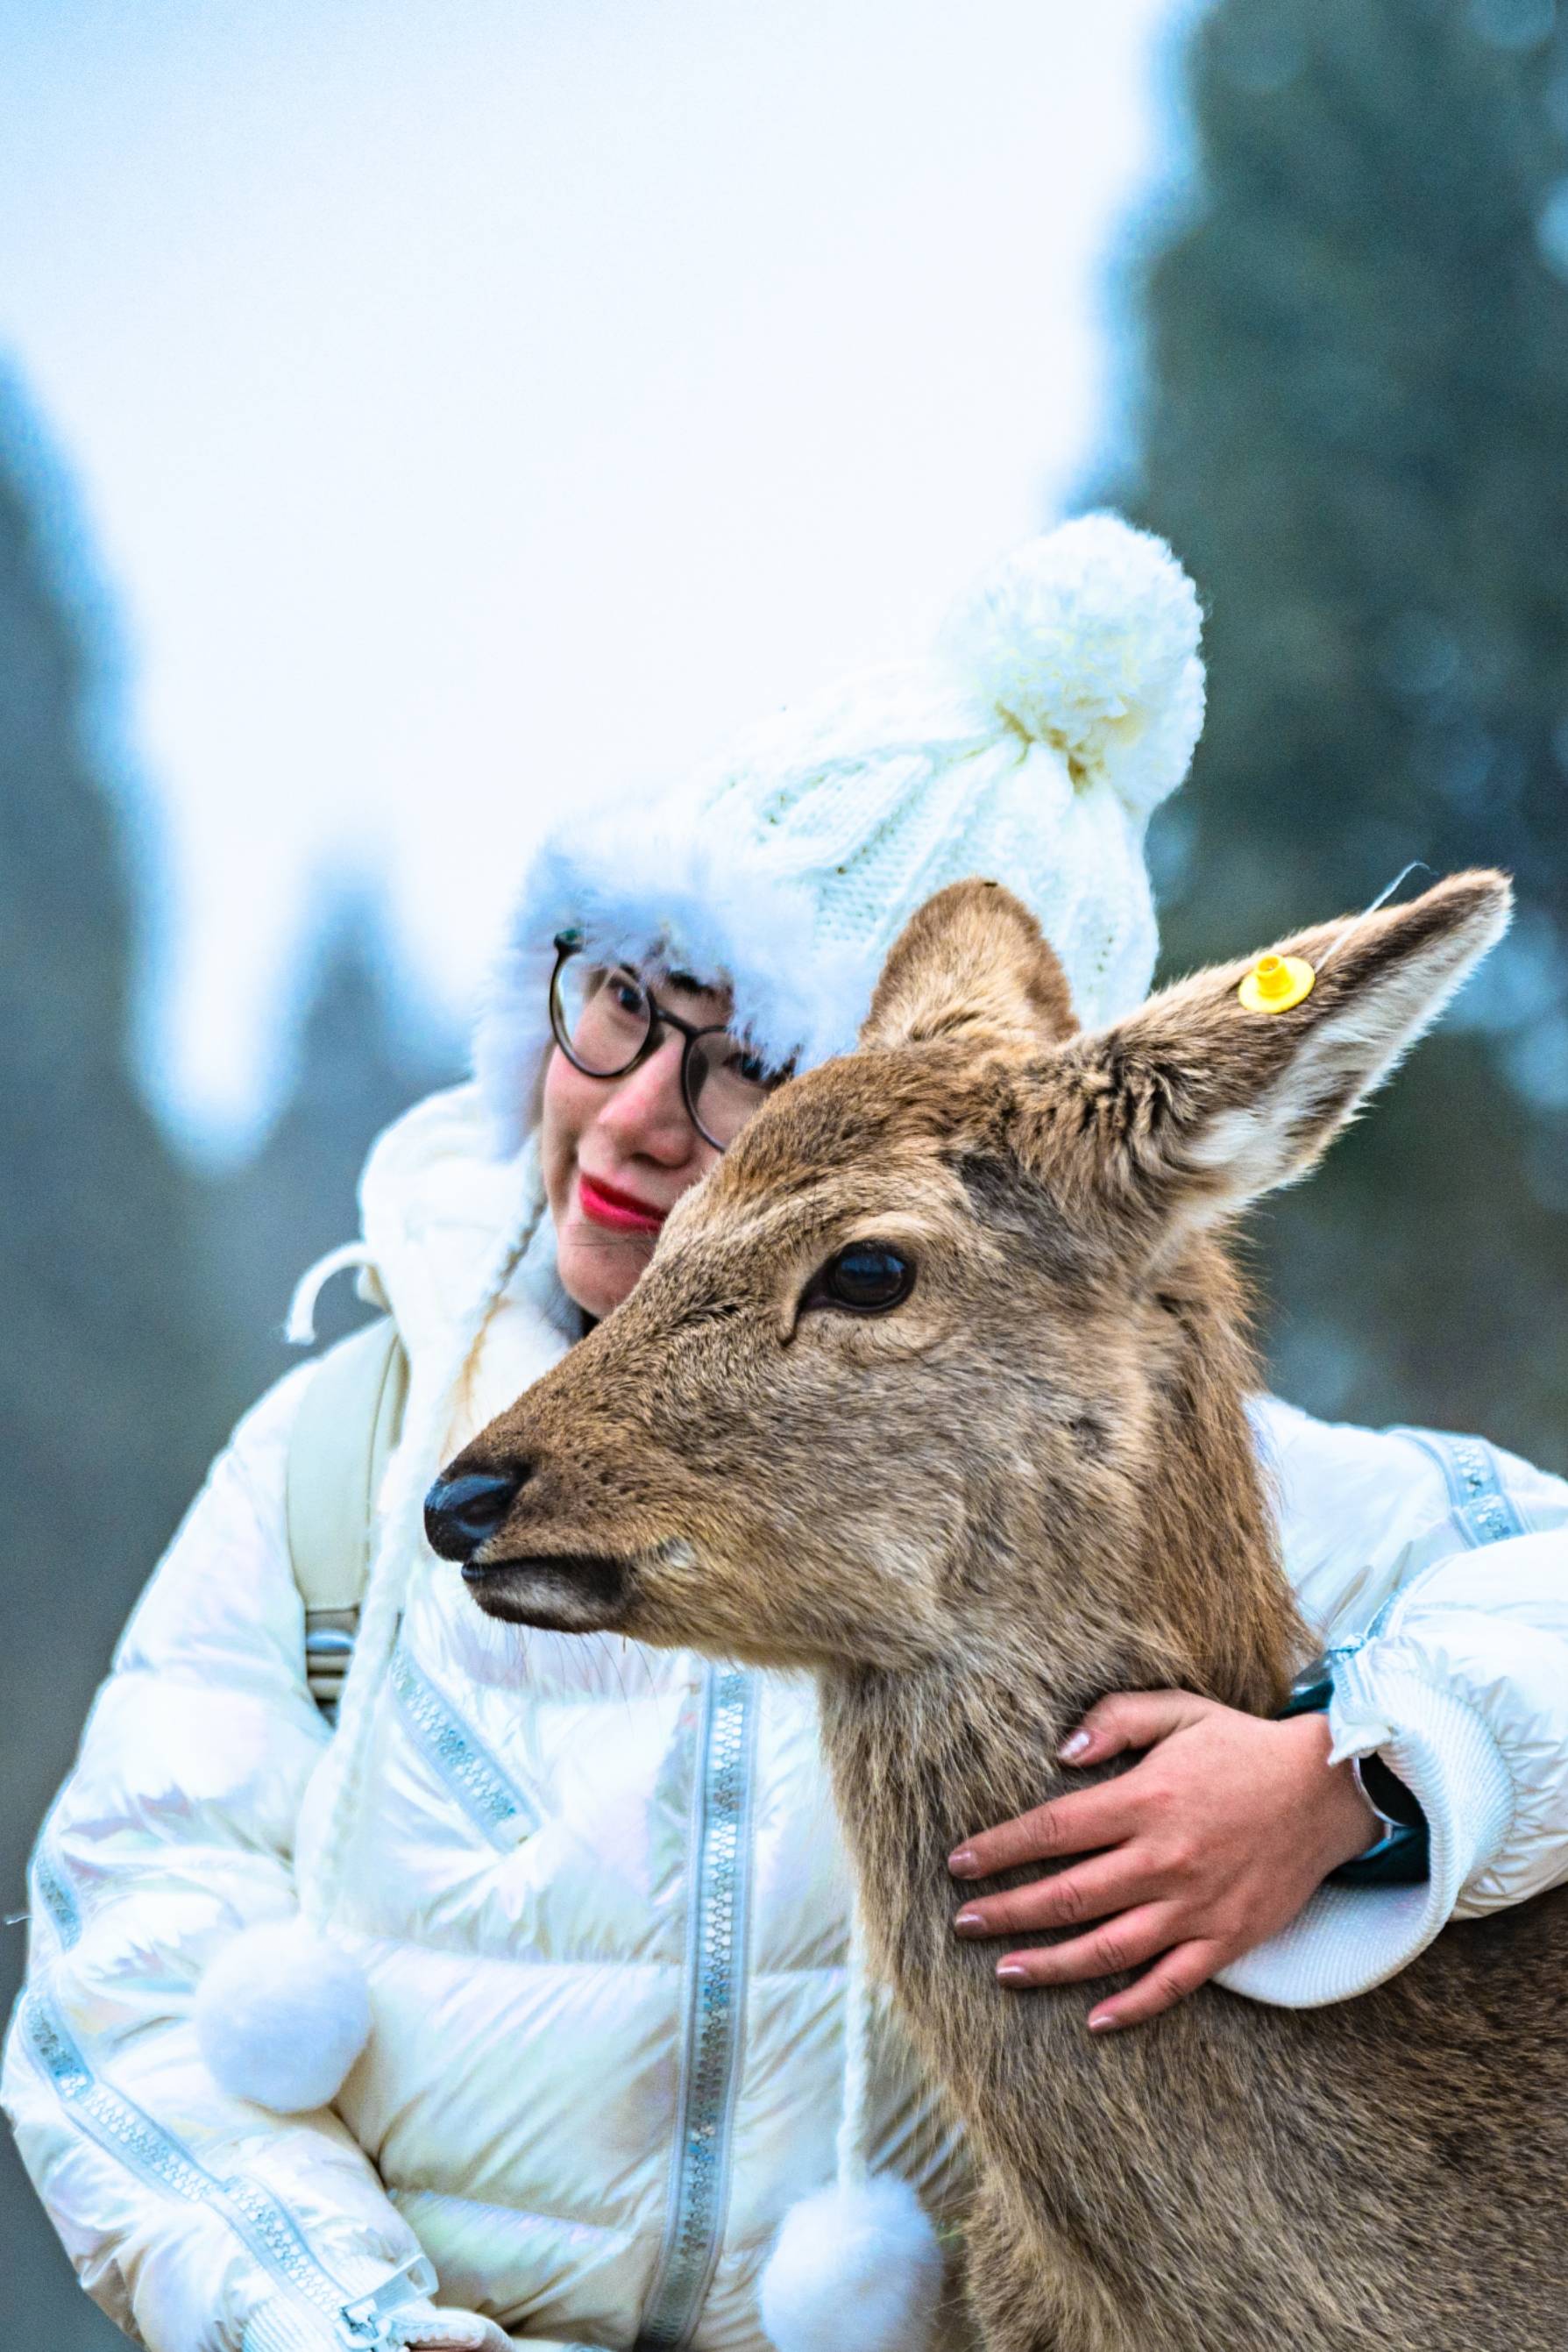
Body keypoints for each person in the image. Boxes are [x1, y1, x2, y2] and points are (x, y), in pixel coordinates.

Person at [6, 517, 1568, 2352]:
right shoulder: (337, 1473)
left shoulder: (1185, 1470)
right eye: (620, 996)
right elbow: (126, 1976)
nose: (639, 1113)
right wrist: (327, 2324)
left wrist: (1357, 1782)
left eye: (748, 1066)